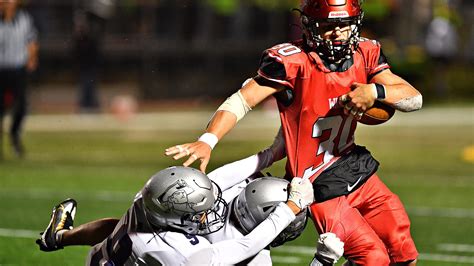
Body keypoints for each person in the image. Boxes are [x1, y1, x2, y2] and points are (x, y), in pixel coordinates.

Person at [165, 0, 423, 265]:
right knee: (373, 258)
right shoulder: (292, 61)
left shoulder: (366, 53)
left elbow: (413, 98)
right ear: (310, 27)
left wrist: (375, 91)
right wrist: (208, 140)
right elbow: (242, 100)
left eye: (343, 25)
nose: (336, 33)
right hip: (315, 182)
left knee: (403, 251)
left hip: (353, 163)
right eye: (327, 26)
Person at [37, 152, 343, 265]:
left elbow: (215, 180)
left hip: (106, 258)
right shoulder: (184, 253)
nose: (205, 215)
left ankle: (58, 238)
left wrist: (269, 154)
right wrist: (322, 261)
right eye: (197, 214)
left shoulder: (149, 199)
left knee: (120, 225)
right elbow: (246, 245)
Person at [0, 0, 38, 158]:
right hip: (1, 69)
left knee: (21, 106)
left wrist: (32, 58)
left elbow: (31, 41)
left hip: (17, 69)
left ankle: (14, 135)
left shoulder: (24, 19)